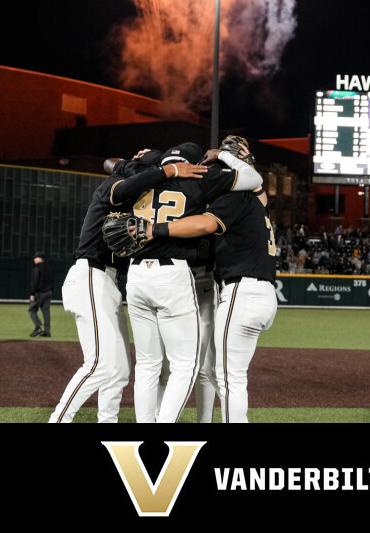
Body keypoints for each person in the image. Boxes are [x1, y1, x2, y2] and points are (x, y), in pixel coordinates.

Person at [48, 149, 207, 423]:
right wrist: (166, 170)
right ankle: (58, 420)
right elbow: (125, 183)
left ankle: (107, 422)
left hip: (111, 283)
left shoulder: (143, 199)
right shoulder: (114, 185)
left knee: (120, 370)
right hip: (90, 275)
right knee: (99, 364)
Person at [127, 142, 262, 423]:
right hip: (182, 275)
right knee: (190, 364)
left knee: (152, 364)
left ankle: (152, 422)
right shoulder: (205, 179)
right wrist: (222, 158)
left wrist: (147, 162)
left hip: (144, 273)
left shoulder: (145, 176)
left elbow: (112, 164)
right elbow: (255, 184)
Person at [28, 252, 53, 337]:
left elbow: (35, 282)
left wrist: (32, 293)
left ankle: (38, 327)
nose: (34, 259)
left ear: (40, 258)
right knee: (46, 313)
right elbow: (52, 280)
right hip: (48, 293)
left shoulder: (37, 268)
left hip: (39, 293)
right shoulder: (48, 268)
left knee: (31, 310)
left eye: (36, 257)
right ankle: (47, 332)